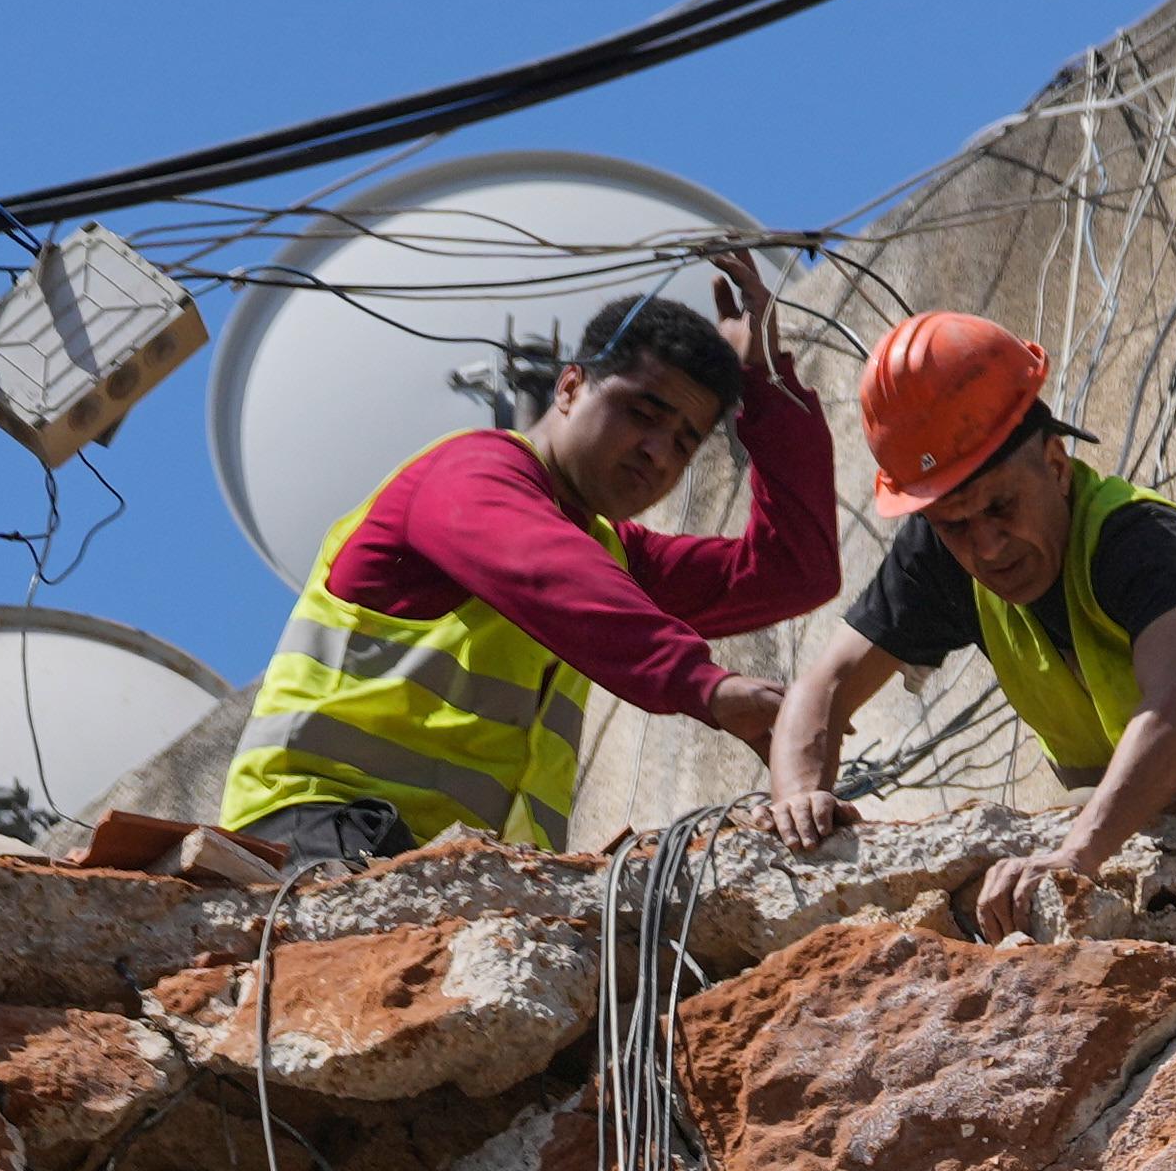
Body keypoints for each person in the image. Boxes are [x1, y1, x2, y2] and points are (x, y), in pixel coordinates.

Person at [219, 273, 843, 872]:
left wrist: (766, 381)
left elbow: (796, 570)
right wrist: (704, 685)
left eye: (684, 441)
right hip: (316, 827)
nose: (658, 452)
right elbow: (549, 571)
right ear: (569, 387)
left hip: (462, 869)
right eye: (642, 413)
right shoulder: (467, 473)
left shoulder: (609, 553)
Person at [757, 311, 1176, 937]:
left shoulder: (1141, 540)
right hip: (1145, 829)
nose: (987, 547)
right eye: (955, 524)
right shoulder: (937, 554)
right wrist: (800, 798)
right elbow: (828, 683)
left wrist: (1073, 855)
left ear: (1056, 465)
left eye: (1001, 506)